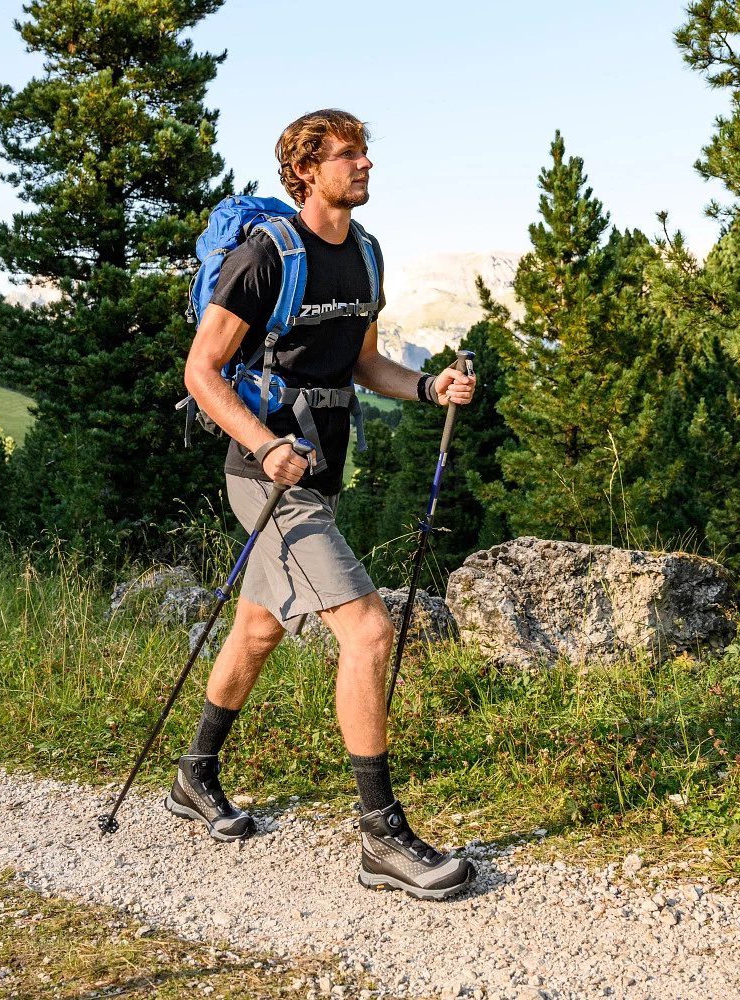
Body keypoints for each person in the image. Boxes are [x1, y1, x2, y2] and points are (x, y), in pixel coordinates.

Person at [173, 109, 477, 900]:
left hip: (321, 469)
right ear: (306, 171)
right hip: (265, 475)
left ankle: (193, 776)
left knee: (260, 625)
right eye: (348, 154)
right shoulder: (264, 259)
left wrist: (425, 386)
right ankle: (382, 838)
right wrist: (267, 444)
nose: (366, 163)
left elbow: (366, 363)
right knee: (369, 630)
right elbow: (201, 372)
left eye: (366, 150)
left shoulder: (367, 254)